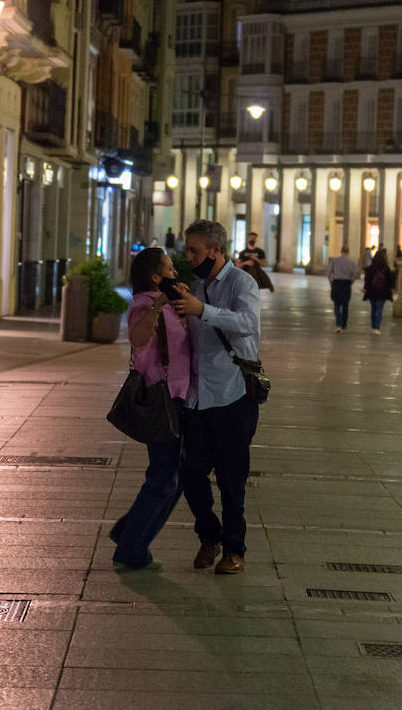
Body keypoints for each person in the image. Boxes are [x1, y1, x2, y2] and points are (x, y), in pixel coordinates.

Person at [168, 219, 262, 575]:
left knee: (231, 478)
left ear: (216, 250)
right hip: (197, 396)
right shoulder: (195, 287)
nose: (189, 257)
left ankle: (234, 550)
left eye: (195, 250)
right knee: (191, 473)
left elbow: (247, 323)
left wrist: (202, 310)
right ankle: (209, 535)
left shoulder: (242, 283)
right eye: (188, 250)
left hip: (233, 394)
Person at [108, 247, 193, 571]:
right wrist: (159, 304)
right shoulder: (144, 304)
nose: (176, 273)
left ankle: (128, 533)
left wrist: (183, 306)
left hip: (181, 395)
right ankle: (131, 548)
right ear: (156, 276)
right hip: (162, 398)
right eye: (170, 268)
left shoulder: (170, 303)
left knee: (175, 476)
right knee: (163, 478)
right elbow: (138, 338)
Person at [325, 245, 359, 332]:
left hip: (336, 283)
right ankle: (344, 324)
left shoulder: (334, 261)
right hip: (346, 283)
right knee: (345, 305)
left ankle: (338, 324)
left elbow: (329, 273)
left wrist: (331, 283)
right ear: (348, 252)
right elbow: (355, 275)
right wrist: (351, 283)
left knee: (337, 304)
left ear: (341, 251)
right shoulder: (352, 262)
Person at [363, 246, 395, 334]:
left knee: (373, 309)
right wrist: (390, 289)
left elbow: (367, 280)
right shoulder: (386, 268)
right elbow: (390, 280)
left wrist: (366, 289)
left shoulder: (371, 268)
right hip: (382, 292)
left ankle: (373, 326)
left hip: (372, 292)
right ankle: (377, 327)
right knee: (379, 310)